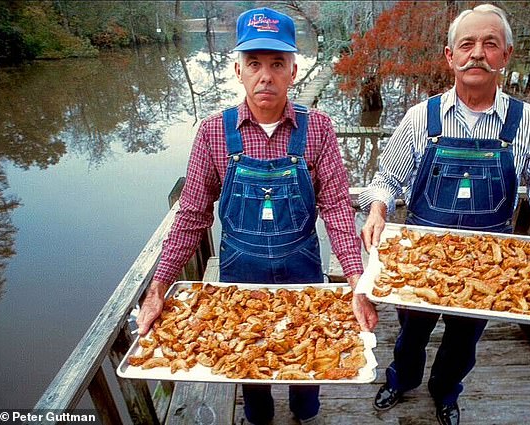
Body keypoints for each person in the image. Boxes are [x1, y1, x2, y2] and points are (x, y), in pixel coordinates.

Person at [358, 4, 530, 425]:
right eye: (467, 44)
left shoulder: (527, 123)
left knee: (463, 341)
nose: (477, 53)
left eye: (489, 44)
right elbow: (388, 178)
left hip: (490, 266)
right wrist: (379, 208)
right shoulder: (420, 118)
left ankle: (445, 392)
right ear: (450, 56)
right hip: (421, 259)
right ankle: (401, 380)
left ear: (506, 55)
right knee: (411, 334)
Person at [136, 6, 377, 425]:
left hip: (302, 266)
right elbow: (192, 214)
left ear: (294, 71)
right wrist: (159, 286)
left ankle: (306, 412)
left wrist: (357, 282)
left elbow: (338, 209)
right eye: (254, 64)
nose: (265, 75)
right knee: (246, 355)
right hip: (238, 269)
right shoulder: (213, 132)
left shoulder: (318, 128)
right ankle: (259, 416)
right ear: (238, 70)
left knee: (309, 351)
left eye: (277, 64)